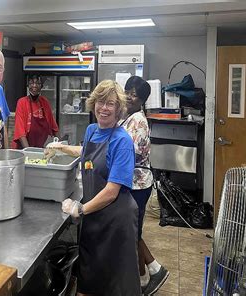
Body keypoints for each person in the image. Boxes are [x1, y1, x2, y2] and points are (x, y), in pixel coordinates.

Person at [47, 80, 140, 296]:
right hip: (94, 220)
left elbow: (111, 192)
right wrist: (60, 147)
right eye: (100, 101)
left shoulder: (122, 141)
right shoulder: (91, 130)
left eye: (110, 103)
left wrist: (80, 209)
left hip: (116, 223)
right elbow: (85, 151)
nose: (104, 108)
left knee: (114, 286)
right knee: (88, 282)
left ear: (118, 109)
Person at [121, 76, 169, 295]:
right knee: (132, 232)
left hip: (138, 185)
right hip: (131, 183)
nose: (130, 97)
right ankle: (140, 279)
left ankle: (156, 270)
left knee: (132, 234)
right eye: (128, 91)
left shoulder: (138, 120)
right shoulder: (128, 117)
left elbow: (129, 152)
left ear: (142, 100)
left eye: (135, 95)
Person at [11, 74, 59, 148]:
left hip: (38, 148)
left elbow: (54, 128)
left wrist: (62, 146)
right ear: (28, 86)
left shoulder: (45, 102)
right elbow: (20, 132)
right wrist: (29, 152)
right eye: (31, 83)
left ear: (42, 86)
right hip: (22, 149)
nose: (34, 86)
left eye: (38, 83)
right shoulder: (22, 102)